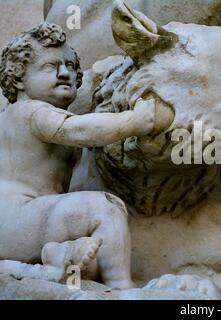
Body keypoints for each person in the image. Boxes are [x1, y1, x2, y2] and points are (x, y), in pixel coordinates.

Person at [0, 22, 172, 289]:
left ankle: (55, 258)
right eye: (50, 66)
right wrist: (135, 121)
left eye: (69, 66)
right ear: (19, 78)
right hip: (13, 219)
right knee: (104, 207)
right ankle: (122, 288)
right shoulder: (29, 111)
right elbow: (79, 129)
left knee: (90, 258)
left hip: (25, 225)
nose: (64, 73)